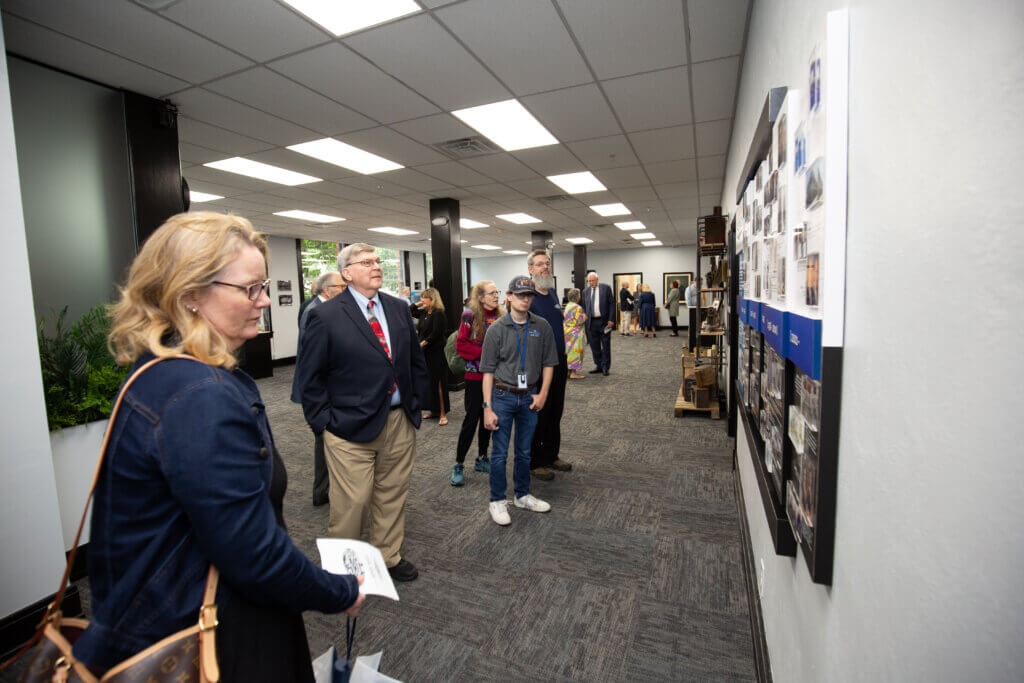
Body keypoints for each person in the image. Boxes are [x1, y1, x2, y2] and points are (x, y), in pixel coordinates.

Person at [74, 212, 363, 680]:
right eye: (250, 288)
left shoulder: (156, 371)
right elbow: (254, 555)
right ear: (189, 295)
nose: (265, 300)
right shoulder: (200, 396)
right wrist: (340, 591)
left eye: (263, 285)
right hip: (211, 632)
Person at [294, 243, 430, 583]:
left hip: (398, 421)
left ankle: (387, 554)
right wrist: (323, 424)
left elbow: (414, 360)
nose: (376, 266)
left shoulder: (399, 309)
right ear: (347, 273)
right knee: (352, 503)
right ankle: (342, 568)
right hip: (347, 427)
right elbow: (309, 379)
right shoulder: (325, 316)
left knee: (392, 493)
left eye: (377, 260)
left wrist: (415, 405)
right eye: (366, 262)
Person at [480, 276, 558, 526]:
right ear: (509, 296)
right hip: (502, 397)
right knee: (500, 453)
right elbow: (488, 372)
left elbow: (549, 363)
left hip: (529, 398)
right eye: (520, 294)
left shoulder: (542, 326)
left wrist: (543, 393)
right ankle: (497, 500)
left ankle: (522, 495)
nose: (525, 299)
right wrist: (487, 407)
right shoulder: (496, 329)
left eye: (529, 295)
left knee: (524, 453)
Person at [291, 270, 345, 506]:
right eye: (341, 286)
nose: (345, 290)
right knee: (324, 441)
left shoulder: (318, 308)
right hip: (320, 392)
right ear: (327, 290)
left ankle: (326, 489)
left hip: (322, 389)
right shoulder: (316, 312)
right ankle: (322, 492)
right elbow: (313, 360)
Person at [526, 249, 572, 479]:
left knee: (556, 411)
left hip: (559, 361)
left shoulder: (552, 294)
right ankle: (534, 462)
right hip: (540, 365)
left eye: (547, 263)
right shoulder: (528, 298)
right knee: (539, 413)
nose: (545, 267)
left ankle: (551, 455)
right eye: (540, 264)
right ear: (531, 269)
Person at [452, 280, 501, 486]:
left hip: (495, 378)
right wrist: (488, 354)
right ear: (480, 297)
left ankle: (482, 458)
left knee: (488, 419)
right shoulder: (469, 315)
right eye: (491, 293)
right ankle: (459, 464)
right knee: (471, 420)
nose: (496, 296)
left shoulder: (501, 316)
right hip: (475, 377)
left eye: (497, 292)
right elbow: (461, 345)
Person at [414, 287, 450, 425]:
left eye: (424, 298)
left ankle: (442, 413)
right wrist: (418, 304)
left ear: (432, 299)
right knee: (429, 383)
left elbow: (436, 333)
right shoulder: (424, 313)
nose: (422, 300)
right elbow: (408, 311)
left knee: (439, 383)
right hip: (425, 353)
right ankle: (433, 410)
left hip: (435, 353)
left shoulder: (438, 314)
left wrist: (422, 344)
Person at [580, 271, 614, 375]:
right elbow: (584, 306)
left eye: (592, 280)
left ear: (597, 280)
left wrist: (611, 319)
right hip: (591, 323)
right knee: (594, 346)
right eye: (589, 281)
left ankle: (605, 367)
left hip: (604, 322)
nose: (590, 283)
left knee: (605, 345)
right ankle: (598, 365)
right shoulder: (585, 291)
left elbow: (612, 304)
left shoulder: (606, 288)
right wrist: (584, 315)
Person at [563, 288, 587, 379]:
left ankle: (569, 371)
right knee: (575, 352)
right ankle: (574, 373)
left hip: (567, 331)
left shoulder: (568, 305)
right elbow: (580, 321)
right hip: (575, 333)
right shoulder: (577, 307)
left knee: (569, 352)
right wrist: (585, 316)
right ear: (577, 297)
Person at [685, 278, 699, 351]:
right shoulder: (689, 289)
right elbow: (688, 298)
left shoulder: (699, 288)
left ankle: (699, 343)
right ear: (695, 281)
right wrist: (689, 307)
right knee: (693, 326)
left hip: (699, 308)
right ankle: (692, 346)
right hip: (693, 309)